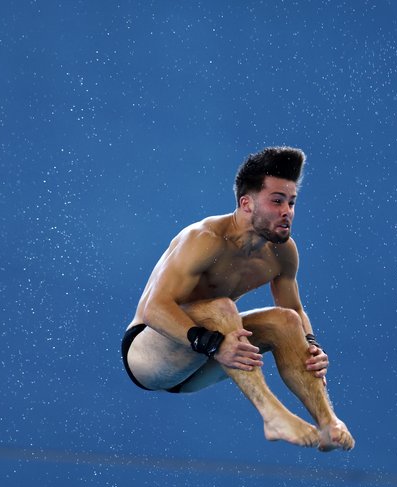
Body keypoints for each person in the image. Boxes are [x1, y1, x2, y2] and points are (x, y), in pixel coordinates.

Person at [122, 146, 354, 451]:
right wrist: (212, 344)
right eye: (277, 201)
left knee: (287, 321)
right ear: (246, 203)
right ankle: (272, 415)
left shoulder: (282, 252)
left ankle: (328, 424)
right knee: (222, 309)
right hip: (150, 355)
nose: (287, 211)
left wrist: (312, 347)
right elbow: (154, 309)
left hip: (203, 364)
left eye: (291, 202)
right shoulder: (203, 239)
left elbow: (294, 309)